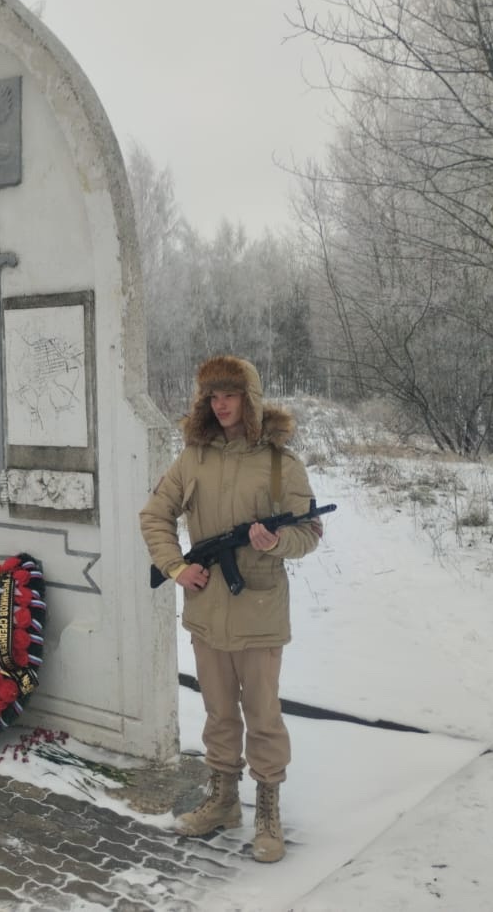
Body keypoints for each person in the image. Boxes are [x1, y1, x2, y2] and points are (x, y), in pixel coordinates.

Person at [139, 355, 322, 863]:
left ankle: (266, 809)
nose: (220, 405)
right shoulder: (193, 457)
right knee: (219, 712)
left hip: (259, 611)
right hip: (205, 609)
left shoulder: (281, 463)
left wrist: (274, 542)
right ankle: (223, 801)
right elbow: (156, 514)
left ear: (250, 399)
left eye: (230, 395)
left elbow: (309, 532)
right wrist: (177, 568)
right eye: (212, 396)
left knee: (263, 715)